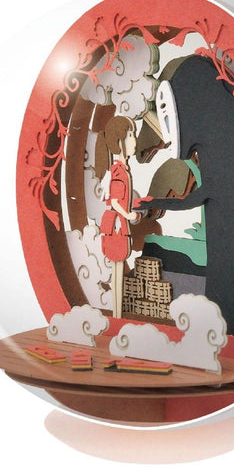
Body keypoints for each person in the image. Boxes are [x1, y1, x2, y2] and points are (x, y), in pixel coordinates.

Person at [95, 115, 140, 317]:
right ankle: (116, 314)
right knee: (117, 266)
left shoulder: (122, 170)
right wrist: (128, 214)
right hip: (116, 226)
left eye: (133, 135)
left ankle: (117, 313)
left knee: (118, 267)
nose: (134, 141)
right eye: (130, 135)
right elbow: (114, 201)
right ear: (119, 141)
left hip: (117, 224)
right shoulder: (118, 172)